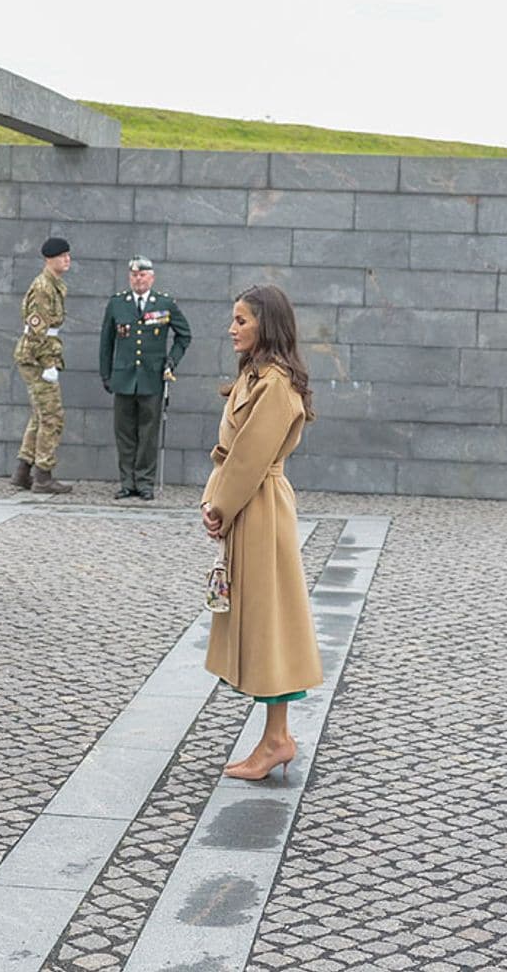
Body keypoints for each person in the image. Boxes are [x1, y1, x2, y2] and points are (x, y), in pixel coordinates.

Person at [200, 285, 322, 780]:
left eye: (241, 320)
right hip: (246, 506)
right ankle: (275, 737)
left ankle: (277, 739)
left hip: (261, 508)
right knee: (260, 622)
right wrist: (215, 502)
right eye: (232, 319)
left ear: (264, 325)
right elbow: (229, 453)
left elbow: (250, 457)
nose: (232, 328)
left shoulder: (274, 385)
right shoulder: (255, 376)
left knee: (270, 625)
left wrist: (220, 506)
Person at [100, 256, 191, 501]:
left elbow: (184, 335)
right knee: (125, 432)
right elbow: (106, 341)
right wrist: (106, 374)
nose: (138, 279)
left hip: (151, 378)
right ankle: (127, 482)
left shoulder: (164, 303)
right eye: (134, 275)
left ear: (151, 277)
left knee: (149, 433)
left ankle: (145, 482)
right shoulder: (118, 303)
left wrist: (171, 361)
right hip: (124, 377)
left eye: (142, 275)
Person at [12, 237, 72, 494]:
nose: (67, 260)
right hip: (37, 358)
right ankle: (43, 476)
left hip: (41, 355)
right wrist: (48, 364)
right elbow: (37, 331)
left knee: (39, 416)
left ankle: (23, 471)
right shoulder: (43, 287)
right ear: (49, 259)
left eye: (68, 255)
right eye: (62, 256)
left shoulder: (53, 284)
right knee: (52, 417)